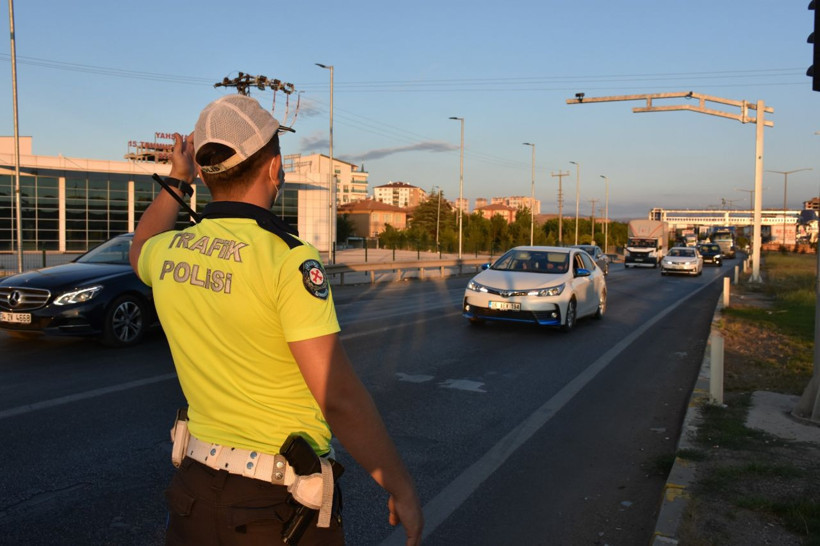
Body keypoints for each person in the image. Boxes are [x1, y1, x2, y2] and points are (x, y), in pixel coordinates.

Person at [129, 94, 423, 546]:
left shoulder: (170, 250)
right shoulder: (288, 259)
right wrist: (399, 486)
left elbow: (140, 244)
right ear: (274, 168)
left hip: (193, 498)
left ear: (206, 174)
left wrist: (177, 178)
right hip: (275, 513)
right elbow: (337, 396)